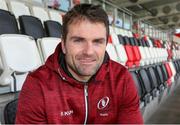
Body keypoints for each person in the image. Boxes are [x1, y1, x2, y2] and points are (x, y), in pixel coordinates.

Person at [15, 3, 143, 124]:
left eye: (97, 41)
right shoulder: (37, 85)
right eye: (78, 40)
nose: (88, 51)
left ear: (105, 45)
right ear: (64, 44)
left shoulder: (121, 78)